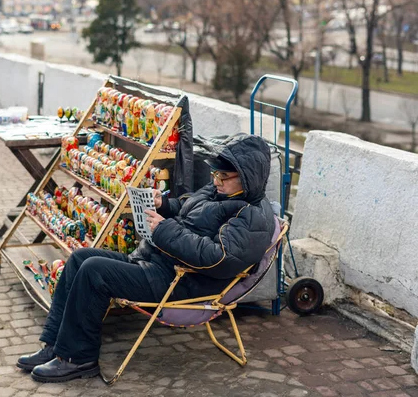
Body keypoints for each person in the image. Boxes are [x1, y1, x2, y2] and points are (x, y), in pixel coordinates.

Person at [17, 133, 276, 383]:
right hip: (159, 263)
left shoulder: (251, 216)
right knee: (80, 258)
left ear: (247, 177)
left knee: (94, 270)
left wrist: (165, 229)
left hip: (181, 283)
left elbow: (219, 259)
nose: (216, 180)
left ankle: (78, 358)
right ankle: (54, 344)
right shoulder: (221, 191)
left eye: (223, 176)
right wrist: (163, 204)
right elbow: (190, 209)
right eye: (214, 174)